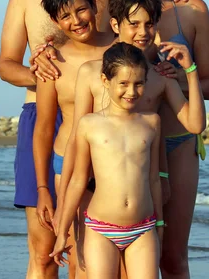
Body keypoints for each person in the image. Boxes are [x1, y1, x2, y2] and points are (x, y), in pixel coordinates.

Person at [0, 0, 195, 279]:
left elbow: (143, 8)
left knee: (100, 258)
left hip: (111, 124)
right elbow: (5, 65)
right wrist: (45, 76)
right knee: (46, 249)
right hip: (49, 115)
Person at [54, 0, 207, 277]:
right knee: (82, 268)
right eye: (134, 24)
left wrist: (190, 71)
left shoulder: (160, 76)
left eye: (149, 24)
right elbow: (77, 138)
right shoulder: (91, 72)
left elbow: (195, 124)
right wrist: (64, 208)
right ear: (115, 25)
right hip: (95, 196)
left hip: (140, 201)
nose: (143, 32)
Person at [112, 0, 209, 279]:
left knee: (173, 258)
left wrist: (178, 78)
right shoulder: (122, 13)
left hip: (179, 141)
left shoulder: (192, 11)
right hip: (131, 146)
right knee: (132, 260)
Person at [50, 43, 168, 278]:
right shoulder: (90, 124)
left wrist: (160, 224)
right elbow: (78, 180)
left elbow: (154, 179)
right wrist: (62, 231)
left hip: (143, 228)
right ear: (105, 81)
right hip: (100, 228)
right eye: (123, 84)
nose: (131, 92)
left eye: (139, 84)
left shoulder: (151, 122)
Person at [33, 0, 116, 272]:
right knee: (79, 262)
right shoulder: (52, 62)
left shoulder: (122, 50)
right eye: (65, 16)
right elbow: (43, 127)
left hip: (116, 164)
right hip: (68, 164)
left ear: (95, 6)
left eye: (81, 9)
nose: (76, 20)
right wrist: (43, 187)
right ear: (56, 22)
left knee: (120, 263)